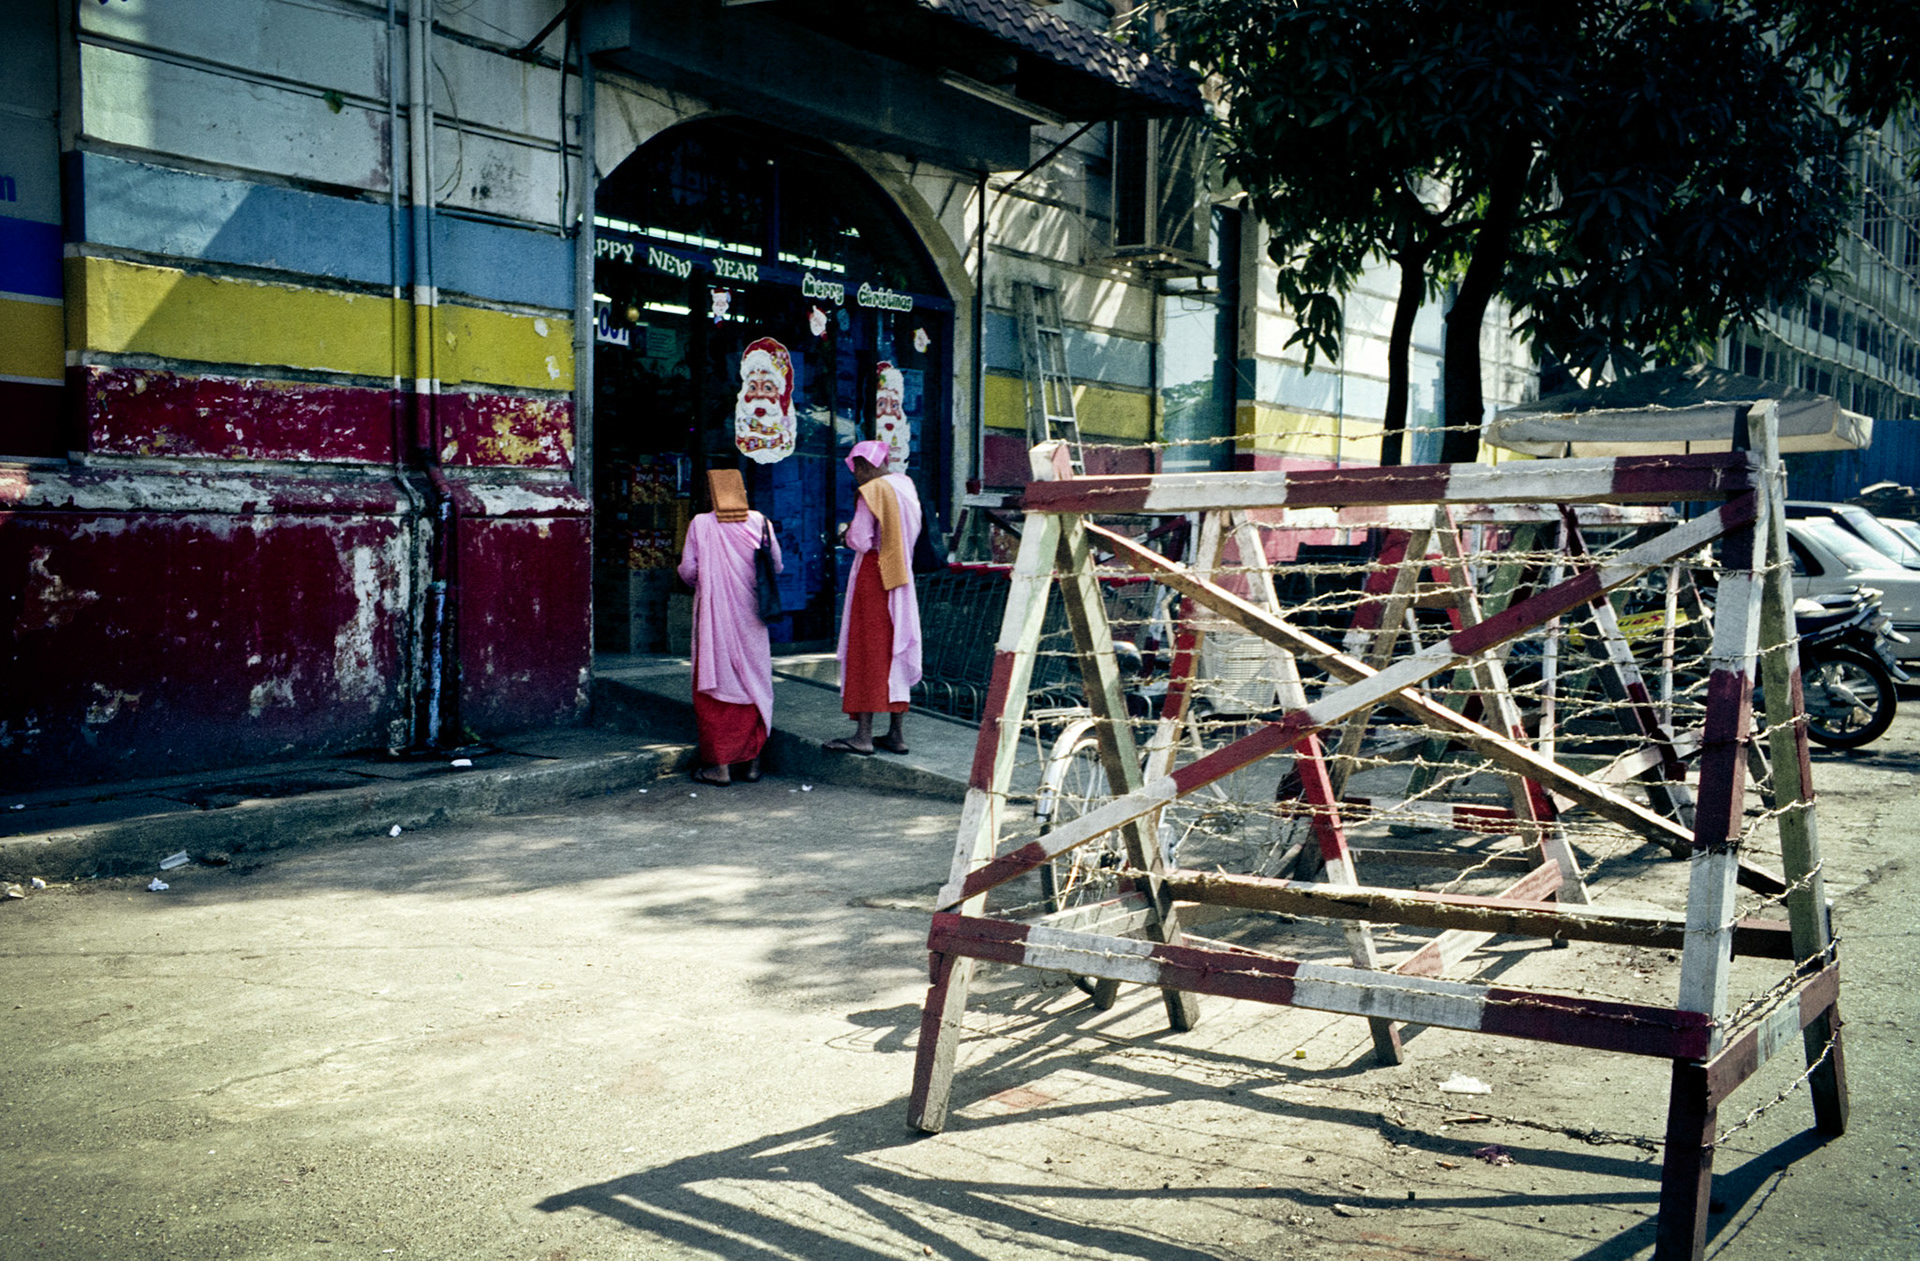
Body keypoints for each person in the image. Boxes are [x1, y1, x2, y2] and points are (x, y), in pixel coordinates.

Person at [677, 468, 781, 785]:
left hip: (715, 620)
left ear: (712, 494)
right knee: (754, 683)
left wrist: (709, 580)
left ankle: (719, 767)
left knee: (717, 683)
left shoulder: (701, 523)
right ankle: (752, 765)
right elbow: (776, 565)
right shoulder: (761, 521)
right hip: (753, 617)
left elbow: (688, 571)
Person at [825, 439, 923, 756]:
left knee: (866, 652)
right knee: (896, 649)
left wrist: (844, 533)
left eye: (857, 469)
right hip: (901, 574)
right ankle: (896, 734)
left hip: (874, 575)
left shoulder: (873, 491)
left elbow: (860, 538)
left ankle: (863, 735)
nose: (856, 476)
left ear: (866, 465)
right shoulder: (906, 486)